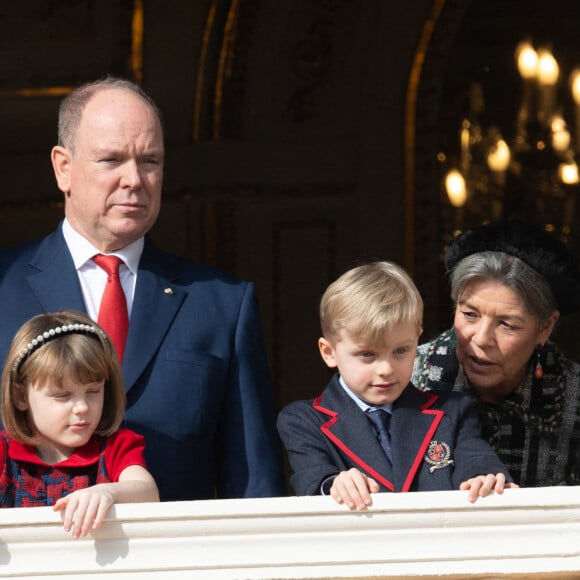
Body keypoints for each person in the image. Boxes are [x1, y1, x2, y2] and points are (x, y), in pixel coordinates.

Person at [0, 77, 286, 501]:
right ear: (64, 168)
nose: (134, 178)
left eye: (150, 161)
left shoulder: (222, 303)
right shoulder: (5, 284)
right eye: (111, 160)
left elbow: (253, 477)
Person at [277, 261, 514, 511]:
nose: (386, 369)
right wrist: (335, 484)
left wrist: (484, 478)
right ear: (329, 352)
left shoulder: (452, 411)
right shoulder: (302, 420)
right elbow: (312, 478)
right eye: (367, 354)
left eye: (401, 351)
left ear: (417, 340)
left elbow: (475, 458)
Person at [412, 219, 580, 487]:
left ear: (545, 327)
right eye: (469, 314)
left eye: (506, 324)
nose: (481, 339)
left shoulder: (573, 396)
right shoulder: (407, 376)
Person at [0, 310, 159, 538]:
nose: (82, 407)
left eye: (93, 391)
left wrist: (107, 492)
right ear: (21, 397)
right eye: (62, 395)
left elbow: (147, 492)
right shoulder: (4, 451)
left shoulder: (116, 447)